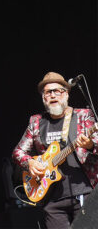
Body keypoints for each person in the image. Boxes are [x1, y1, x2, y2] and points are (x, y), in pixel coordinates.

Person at [12, 72, 98, 228]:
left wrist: (90, 146)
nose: (52, 95)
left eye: (57, 91)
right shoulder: (36, 122)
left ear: (66, 94)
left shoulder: (83, 116)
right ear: (43, 98)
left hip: (83, 192)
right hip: (51, 199)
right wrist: (30, 163)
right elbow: (18, 152)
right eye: (47, 92)